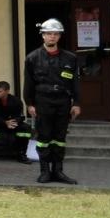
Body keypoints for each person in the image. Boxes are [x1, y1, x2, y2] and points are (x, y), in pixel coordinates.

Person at [24, 18, 80, 184]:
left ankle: (58, 171)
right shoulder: (32, 57)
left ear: (60, 36)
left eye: (56, 34)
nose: (52, 37)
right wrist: (29, 103)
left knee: (59, 138)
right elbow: (28, 83)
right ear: (43, 35)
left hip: (63, 102)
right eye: (49, 34)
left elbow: (75, 82)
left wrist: (76, 103)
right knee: (44, 138)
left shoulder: (70, 58)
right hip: (43, 101)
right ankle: (44, 172)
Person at [0, 81, 30, 163]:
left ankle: (21, 154)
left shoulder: (16, 100)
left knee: (25, 128)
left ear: (7, 91)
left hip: (11, 123)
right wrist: (4, 122)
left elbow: (21, 116)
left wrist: (13, 122)